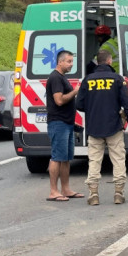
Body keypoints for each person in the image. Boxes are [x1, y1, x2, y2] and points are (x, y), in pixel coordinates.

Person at [76, 49, 128, 205]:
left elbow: (79, 104)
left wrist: (93, 110)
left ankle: (93, 195)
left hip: (94, 127)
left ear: (97, 62)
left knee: (94, 160)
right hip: (114, 126)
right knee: (118, 159)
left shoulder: (87, 80)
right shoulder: (117, 79)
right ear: (109, 61)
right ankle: (118, 193)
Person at [45, 50, 81, 202]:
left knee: (66, 158)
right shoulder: (55, 78)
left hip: (67, 123)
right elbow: (59, 100)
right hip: (58, 122)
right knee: (57, 158)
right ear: (60, 62)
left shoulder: (62, 78)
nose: (71, 64)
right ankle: (54, 191)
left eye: (72, 61)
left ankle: (66, 189)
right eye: (68, 61)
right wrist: (75, 92)